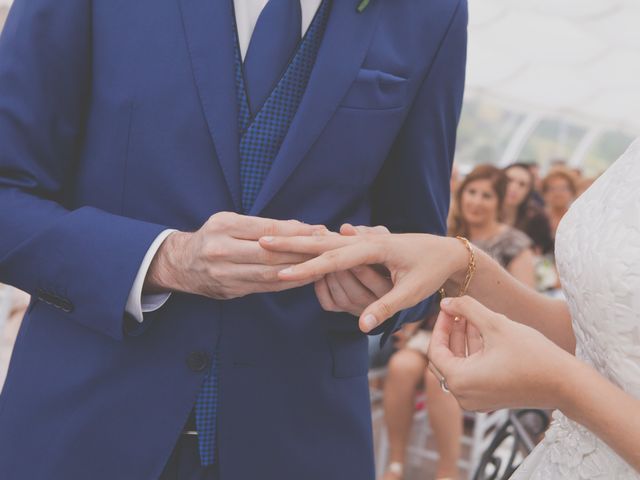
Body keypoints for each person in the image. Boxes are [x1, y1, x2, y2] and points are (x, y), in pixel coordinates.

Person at [0, 0, 468, 478]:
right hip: (81, 428)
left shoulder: (433, 12)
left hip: (300, 443)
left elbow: (417, 244)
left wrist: (382, 289)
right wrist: (163, 260)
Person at [261, 138, 640, 477]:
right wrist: (459, 260)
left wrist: (564, 385)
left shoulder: (518, 239)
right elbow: (596, 338)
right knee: (405, 365)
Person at [381, 164, 536, 479]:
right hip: (430, 329)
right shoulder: (447, 233)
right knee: (400, 367)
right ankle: (396, 462)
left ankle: (447, 471)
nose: (476, 201)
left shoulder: (515, 245)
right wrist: (408, 324)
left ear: (501, 201)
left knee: (438, 379)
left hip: (480, 337)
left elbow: (524, 306)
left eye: (486, 195)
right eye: (472, 192)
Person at [502, 163, 553, 255]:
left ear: (528, 192)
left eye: (522, 184)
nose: (514, 187)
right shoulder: (482, 211)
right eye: (509, 180)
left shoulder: (537, 219)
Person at [541, 167, 577, 241]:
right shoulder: (537, 217)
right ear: (544, 193)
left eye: (563, 188)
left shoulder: (576, 220)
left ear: (572, 192)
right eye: (552, 188)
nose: (558, 193)